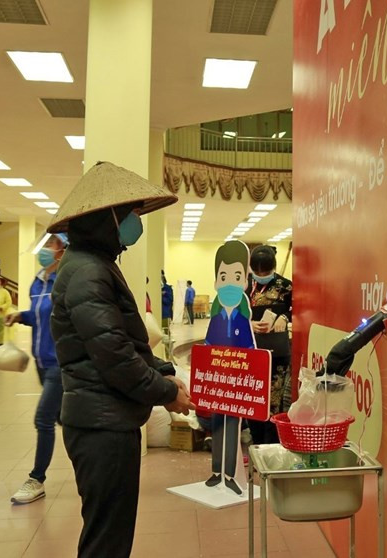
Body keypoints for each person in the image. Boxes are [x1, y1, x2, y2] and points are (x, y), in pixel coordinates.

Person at [48, 161, 195, 558]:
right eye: (129, 213)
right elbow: (114, 357)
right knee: (107, 541)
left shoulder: (93, 265)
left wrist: (164, 370)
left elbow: (124, 342)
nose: (135, 221)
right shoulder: (87, 273)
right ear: (107, 219)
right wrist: (165, 391)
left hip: (105, 419)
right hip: (102, 426)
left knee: (109, 534)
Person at [5, 233, 69, 505]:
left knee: (43, 419)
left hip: (60, 362)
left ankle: (36, 479)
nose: (45, 248)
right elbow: (41, 315)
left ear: (62, 251)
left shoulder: (64, 281)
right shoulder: (38, 280)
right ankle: (97, 468)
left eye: (51, 244)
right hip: (41, 363)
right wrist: (21, 316)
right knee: (64, 420)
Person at [204, 240, 256, 495]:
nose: (229, 283)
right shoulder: (215, 316)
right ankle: (216, 472)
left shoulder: (242, 317)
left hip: (236, 383)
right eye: (223, 276)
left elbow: (250, 349)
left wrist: (249, 373)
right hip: (217, 380)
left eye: (236, 276)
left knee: (232, 425)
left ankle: (230, 475)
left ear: (245, 281)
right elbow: (207, 345)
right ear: (216, 280)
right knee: (217, 424)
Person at [246, 244, 293, 444]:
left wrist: (285, 316)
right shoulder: (242, 286)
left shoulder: (286, 286)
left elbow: (301, 307)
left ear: (273, 268)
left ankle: (272, 444)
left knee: (276, 401)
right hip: (250, 353)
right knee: (253, 399)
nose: (260, 275)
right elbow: (226, 315)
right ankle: (256, 441)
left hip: (278, 354)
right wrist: (248, 323)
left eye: (265, 272)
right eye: (257, 272)